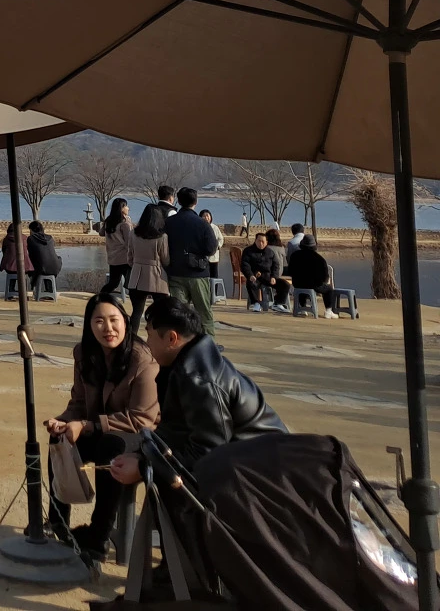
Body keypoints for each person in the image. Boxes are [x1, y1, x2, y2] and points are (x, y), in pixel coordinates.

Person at [110, 297, 285, 486]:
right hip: (244, 459)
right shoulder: (181, 365)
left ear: (171, 339)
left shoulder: (198, 380)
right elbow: (174, 430)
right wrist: (142, 455)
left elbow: (209, 452)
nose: (147, 343)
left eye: (149, 335)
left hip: (265, 469)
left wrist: (144, 467)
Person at [46, 292, 158, 560]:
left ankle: (98, 537)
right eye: (99, 321)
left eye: (113, 320)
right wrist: (63, 421)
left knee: (110, 446)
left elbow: (141, 418)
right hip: (99, 428)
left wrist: (86, 425)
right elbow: (79, 402)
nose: (108, 328)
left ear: (125, 321)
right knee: (60, 439)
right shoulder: (84, 354)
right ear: (89, 325)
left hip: (138, 436)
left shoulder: (142, 359)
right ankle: (57, 521)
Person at [163, 187, 216, 337]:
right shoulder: (202, 224)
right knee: (204, 312)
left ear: (179, 201)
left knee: (179, 313)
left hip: (175, 272)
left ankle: (180, 343)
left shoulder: (169, 222)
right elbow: (211, 248)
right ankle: (208, 343)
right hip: (198, 273)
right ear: (195, 202)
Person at [128, 203, 169, 326]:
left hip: (136, 275)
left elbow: (129, 256)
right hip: (156, 275)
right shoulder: (162, 237)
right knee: (160, 313)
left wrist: (136, 264)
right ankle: (158, 336)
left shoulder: (133, 233)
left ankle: (131, 336)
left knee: (136, 312)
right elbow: (166, 260)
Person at [288, 234, 338, 318]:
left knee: (302, 287)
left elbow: (290, 271)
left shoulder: (294, 256)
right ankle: (328, 310)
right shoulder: (319, 259)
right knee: (329, 289)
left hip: (297, 283)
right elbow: (324, 277)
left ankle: (303, 307)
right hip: (314, 285)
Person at [240, 231, 288, 313]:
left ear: (266, 242)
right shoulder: (248, 251)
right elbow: (245, 265)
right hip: (255, 276)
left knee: (285, 284)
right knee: (251, 283)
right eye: (259, 241)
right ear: (255, 241)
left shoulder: (270, 252)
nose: (261, 243)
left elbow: (276, 266)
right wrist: (250, 275)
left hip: (268, 277)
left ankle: (278, 303)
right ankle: (255, 303)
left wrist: (274, 277)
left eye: (263, 241)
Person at [101, 198, 133, 295]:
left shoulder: (108, 221)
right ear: (121, 208)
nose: (128, 208)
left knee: (113, 283)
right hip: (124, 258)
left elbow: (101, 233)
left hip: (113, 258)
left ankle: (101, 296)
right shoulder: (124, 223)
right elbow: (129, 242)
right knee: (132, 283)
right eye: (126, 206)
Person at [199, 209, 224, 283]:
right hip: (202, 257)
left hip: (214, 257)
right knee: (204, 277)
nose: (206, 218)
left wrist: (218, 246)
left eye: (207, 216)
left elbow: (221, 239)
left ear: (210, 217)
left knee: (214, 276)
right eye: (204, 216)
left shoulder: (215, 227)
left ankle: (214, 290)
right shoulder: (199, 228)